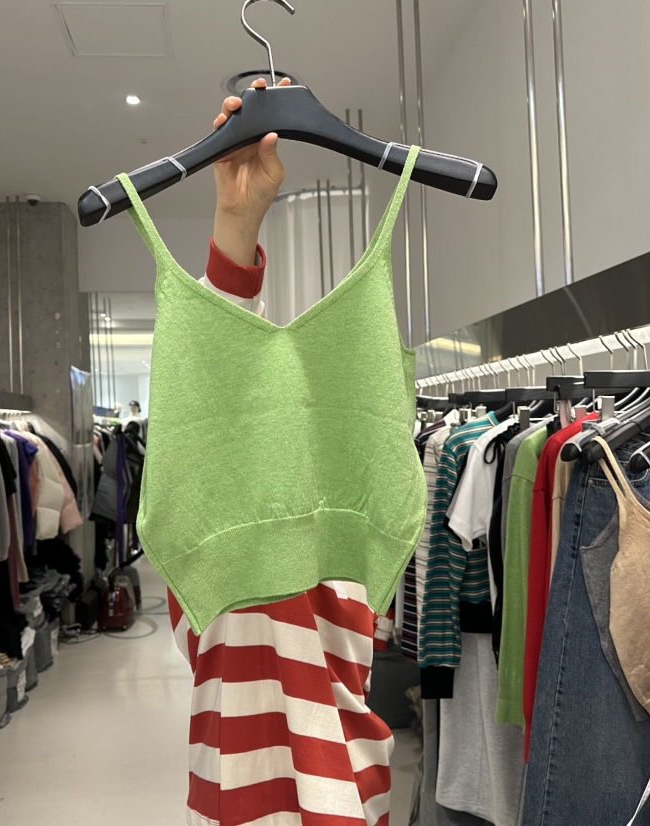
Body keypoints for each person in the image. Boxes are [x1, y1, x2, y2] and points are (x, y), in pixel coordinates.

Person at [168, 78, 396, 826]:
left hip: (340, 778)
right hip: (250, 779)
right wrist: (236, 226)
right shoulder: (213, 485)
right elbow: (213, 397)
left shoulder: (364, 467)